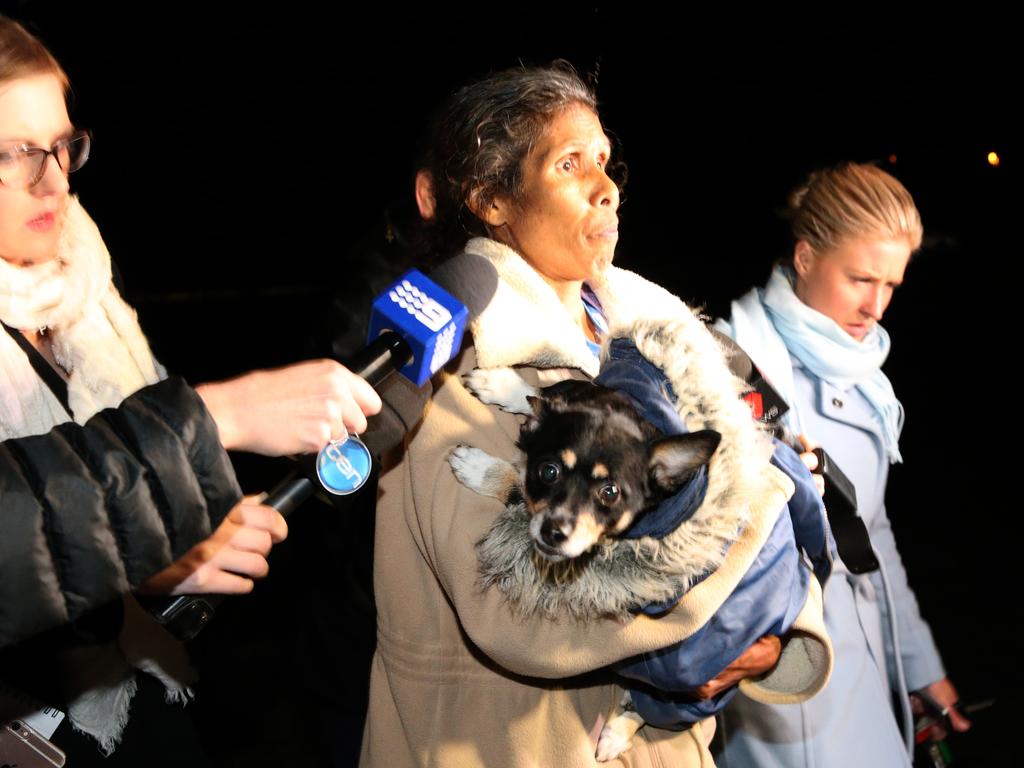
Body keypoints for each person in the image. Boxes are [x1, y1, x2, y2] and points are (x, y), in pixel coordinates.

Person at [363, 63, 833, 768]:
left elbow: (764, 479)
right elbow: (517, 609)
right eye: (569, 163)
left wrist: (775, 636)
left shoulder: (662, 341)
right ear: (493, 198)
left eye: (606, 162)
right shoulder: (452, 367)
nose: (606, 186)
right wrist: (741, 573)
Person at [0, 15, 380, 764]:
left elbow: (84, 490)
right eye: (13, 154)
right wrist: (214, 420)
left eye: (62, 145)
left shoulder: (84, 275)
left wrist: (171, 532)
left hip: (134, 681)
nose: (54, 179)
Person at [715, 162, 969, 767]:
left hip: (867, 672)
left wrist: (918, 665)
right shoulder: (731, 371)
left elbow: (871, 533)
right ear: (804, 258)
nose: (876, 307)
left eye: (891, 286)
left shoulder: (861, 375)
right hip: (791, 694)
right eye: (860, 279)